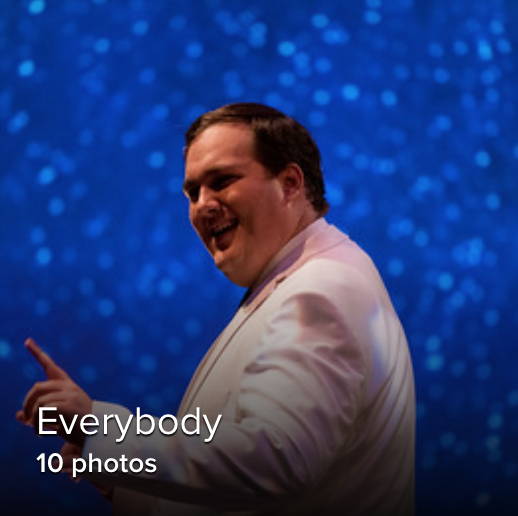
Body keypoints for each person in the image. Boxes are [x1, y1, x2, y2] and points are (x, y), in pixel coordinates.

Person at [17, 102, 415, 515]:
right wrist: (111, 467)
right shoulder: (299, 281)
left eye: (222, 181)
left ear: (291, 183)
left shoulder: (319, 290)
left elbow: (274, 461)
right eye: (192, 192)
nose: (203, 206)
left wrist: (102, 429)